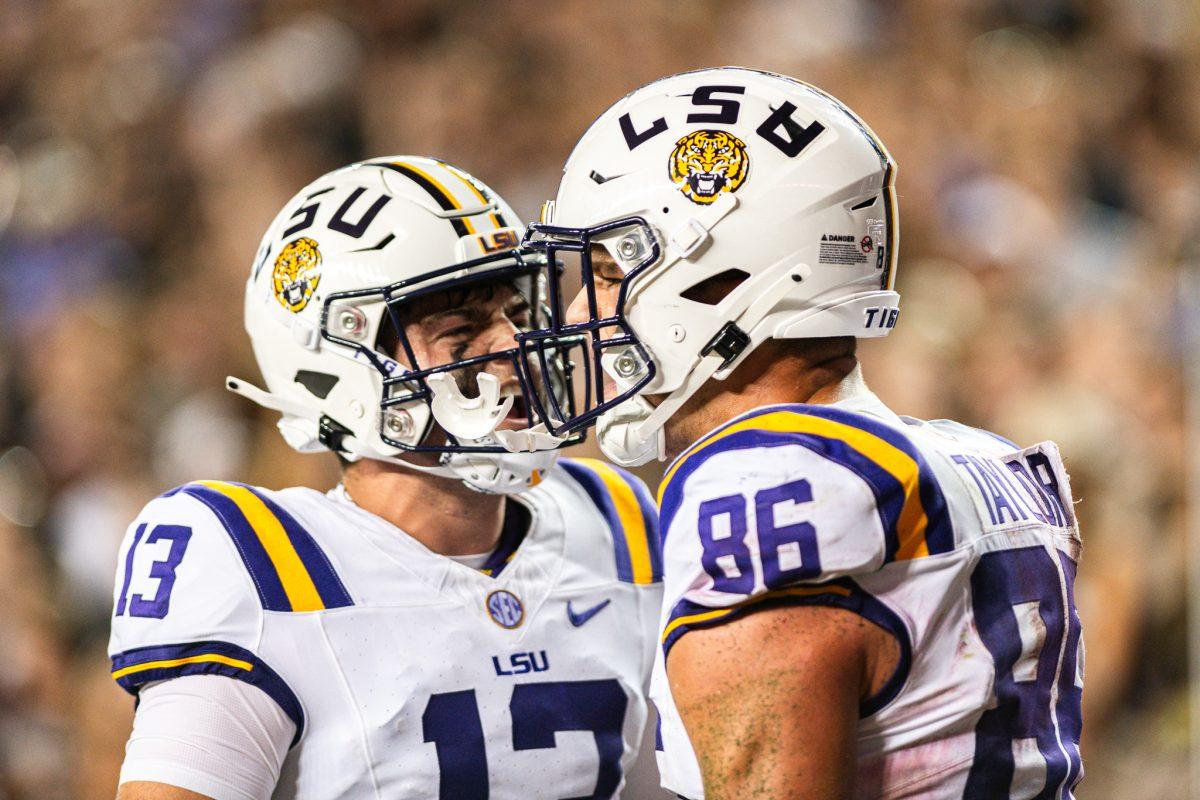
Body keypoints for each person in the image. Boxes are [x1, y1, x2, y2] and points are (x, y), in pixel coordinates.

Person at [511, 68, 1084, 799]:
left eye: (604, 270)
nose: (576, 311)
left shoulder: (767, 479)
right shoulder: (978, 455)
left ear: (722, 280)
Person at [108, 157, 664, 800]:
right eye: (461, 329)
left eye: (516, 313)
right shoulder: (260, 566)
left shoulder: (611, 519)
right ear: (341, 373)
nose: (513, 346)